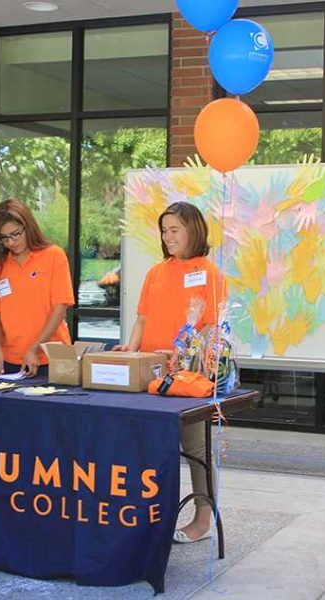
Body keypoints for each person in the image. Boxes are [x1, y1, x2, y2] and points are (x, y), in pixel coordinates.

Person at [115, 201, 223, 544]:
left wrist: (181, 352)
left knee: (196, 452)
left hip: (189, 378)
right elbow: (143, 319)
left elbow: (210, 329)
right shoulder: (156, 272)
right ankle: (148, 515)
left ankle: (203, 520)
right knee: (149, 448)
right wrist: (131, 347)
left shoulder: (209, 273)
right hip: (151, 376)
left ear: (194, 229)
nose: (168, 236)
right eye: (164, 230)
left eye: (174, 229)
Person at [0, 199, 74, 377]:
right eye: (4, 238)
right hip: (11, 361)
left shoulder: (54, 256)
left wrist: (34, 349)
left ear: (28, 227)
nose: (11, 242)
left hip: (52, 358)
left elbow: (60, 309)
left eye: (16, 234)